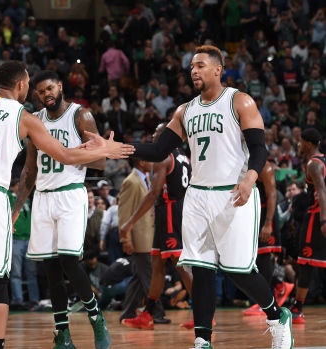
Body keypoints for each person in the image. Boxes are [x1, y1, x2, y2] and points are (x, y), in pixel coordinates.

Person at [0, 61, 132, 349]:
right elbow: (64, 156)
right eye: (31, 85)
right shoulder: (26, 117)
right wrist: (106, 149)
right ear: (21, 84)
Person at [115, 45, 293, 348]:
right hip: (197, 195)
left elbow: (260, 148)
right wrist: (116, 147)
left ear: (217, 69)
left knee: (238, 271)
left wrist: (250, 178)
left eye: (199, 65)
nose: (193, 71)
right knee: (201, 268)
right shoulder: (185, 110)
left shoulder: (240, 101)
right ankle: (202, 340)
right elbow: (158, 150)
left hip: (234, 193)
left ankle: (277, 317)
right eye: (191, 67)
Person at [12, 70, 112, 349]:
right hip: (43, 198)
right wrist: (17, 208)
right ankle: (63, 334)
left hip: (70, 195)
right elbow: (30, 169)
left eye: (49, 89)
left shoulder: (81, 116)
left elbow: (101, 163)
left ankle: (95, 316)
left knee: (69, 260)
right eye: (41, 92)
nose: (46, 94)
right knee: (51, 269)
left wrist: (90, 150)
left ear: (59, 86)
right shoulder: (35, 121)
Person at [120, 122, 194, 330]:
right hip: (174, 211)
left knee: (181, 265)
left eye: (156, 133)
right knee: (157, 264)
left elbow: (153, 193)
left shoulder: (164, 156)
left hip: (170, 212)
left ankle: (203, 313)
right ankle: (148, 314)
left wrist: (130, 222)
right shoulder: (183, 156)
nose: (153, 136)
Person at [243, 162, 293, 316]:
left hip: (266, 217)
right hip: (254, 215)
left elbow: (272, 195)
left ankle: (266, 300)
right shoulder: (244, 163)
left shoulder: (265, 166)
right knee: (252, 260)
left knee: (263, 256)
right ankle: (279, 286)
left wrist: (267, 223)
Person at [291, 129, 326, 325]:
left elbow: (321, 192)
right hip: (320, 214)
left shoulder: (313, 164)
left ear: (309, 144)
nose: (299, 145)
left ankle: (297, 309)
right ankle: (297, 306)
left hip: (316, 217)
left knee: (305, 262)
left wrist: (323, 221)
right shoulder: (323, 160)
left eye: (301, 142)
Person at [8, 177, 39, 308]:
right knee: (15, 272)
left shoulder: (27, 198)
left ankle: (35, 299)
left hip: (29, 239)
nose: (21, 187)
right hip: (16, 239)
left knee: (31, 272)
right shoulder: (9, 197)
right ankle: (18, 300)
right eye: (18, 185)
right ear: (13, 187)